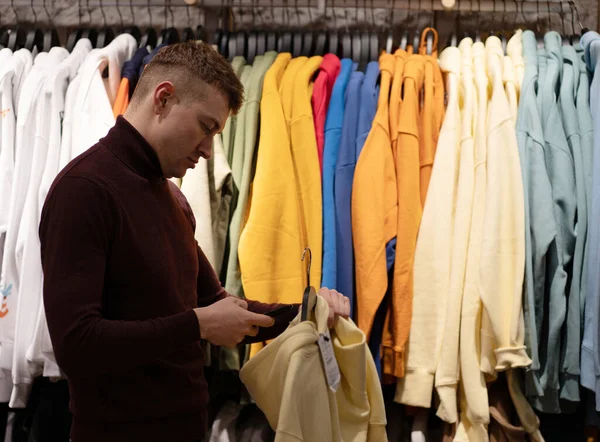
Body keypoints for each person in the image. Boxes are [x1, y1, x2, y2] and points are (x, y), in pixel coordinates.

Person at [39, 41, 350, 442]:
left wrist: (307, 312)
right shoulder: (84, 190)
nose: (208, 150)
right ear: (163, 98)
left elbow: (221, 308)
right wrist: (197, 325)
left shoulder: (171, 198)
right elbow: (76, 346)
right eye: (206, 128)